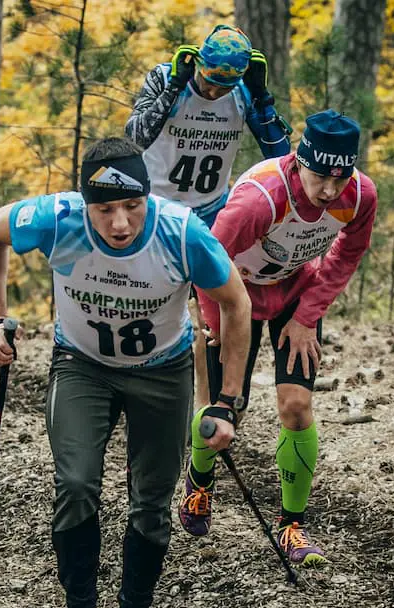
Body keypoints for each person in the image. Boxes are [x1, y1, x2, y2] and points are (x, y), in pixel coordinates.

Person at [0, 138, 252, 608]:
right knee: (76, 484)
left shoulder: (181, 232)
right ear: (86, 205)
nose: (120, 223)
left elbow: (236, 302)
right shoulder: (58, 219)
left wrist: (226, 402)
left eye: (132, 206)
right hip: (81, 365)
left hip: (163, 373)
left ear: (148, 197)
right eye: (104, 210)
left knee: (151, 504)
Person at [180, 110, 378, 569]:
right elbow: (207, 258)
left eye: (339, 177)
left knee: (296, 406)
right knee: (226, 408)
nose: (329, 191)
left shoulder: (360, 194)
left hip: (295, 291)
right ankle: (199, 482)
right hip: (236, 295)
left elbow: (349, 252)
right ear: (298, 160)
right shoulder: (260, 200)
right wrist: (215, 321)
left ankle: (292, 524)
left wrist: (309, 316)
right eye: (319, 176)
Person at [126, 23, 291, 407]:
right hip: (158, 208)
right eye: (209, 80)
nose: (215, 91)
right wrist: (172, 91)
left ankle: (210, 405)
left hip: (213, 212)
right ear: (196, 63)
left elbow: (281, 159)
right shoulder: (166, 77)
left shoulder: (243, 92)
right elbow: (135, 136)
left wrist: (263, 100)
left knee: (209, 317)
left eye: (225, 85)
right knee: (152, 305)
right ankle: (140, 390)